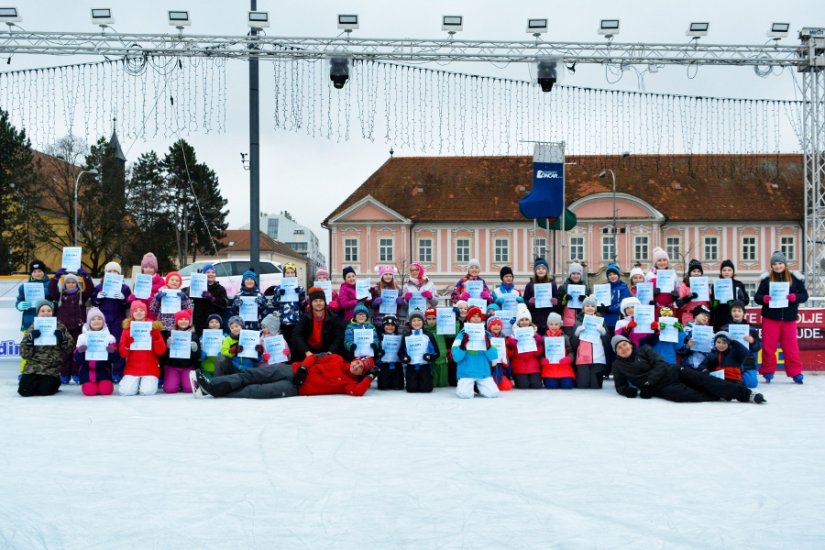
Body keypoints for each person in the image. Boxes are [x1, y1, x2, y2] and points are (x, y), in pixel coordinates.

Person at [611, 335, 765, 404]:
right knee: (685, 395)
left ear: (630, 344)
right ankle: (721, 395)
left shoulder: (644, 349)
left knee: (705, 380)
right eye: (619, 347)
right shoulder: (618, 366)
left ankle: (746, 394)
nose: (623, 348)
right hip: (663, 387)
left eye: (624, 344)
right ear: (616, 352)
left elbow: (660, 364)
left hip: (674, 371)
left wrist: (648, 383)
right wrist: (628, 391)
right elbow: (620, 385)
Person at [192, 354, 377, 399]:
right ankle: (212, 385)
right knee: (252, 375)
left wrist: (370, 377)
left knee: (255, 391)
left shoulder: (349, 383)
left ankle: (213, 390)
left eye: (361, 368)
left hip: (294, 389)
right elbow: (313, 357)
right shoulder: (336, 358)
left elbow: (357, 392)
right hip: (292, 371)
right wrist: (304, 368)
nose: (357, 366)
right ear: (355, 359)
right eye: (358, 362)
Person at [754, 250, 808, 384]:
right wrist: (764, 298)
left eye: (780, 263)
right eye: (775, 264)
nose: (778, 266)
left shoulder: (795, 279)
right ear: (771, 266)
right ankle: (767, 371)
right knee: (768, 347)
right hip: (770, 318)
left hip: (789, 319)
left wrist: (795, 297)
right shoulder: (766, 280)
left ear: (785, 264)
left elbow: (805, 295)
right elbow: (757, 297)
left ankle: (795, 372)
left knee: (791, 348)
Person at [18, 300, 74, 397]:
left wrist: (63, 340)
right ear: (38, 313)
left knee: (45, 391)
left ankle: (55, 381)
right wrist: (30, 341)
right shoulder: (32, 328)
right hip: (33, 367)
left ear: (52, 312)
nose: (46, 313)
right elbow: (24, 354)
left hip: (51, 367)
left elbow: (69, 349)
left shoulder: (60, 327)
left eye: (49, 310)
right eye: (42, 311)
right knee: (24, 391)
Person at [48, 268, 94, 384]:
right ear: (64, 284)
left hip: (78, 328)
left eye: (73, 282)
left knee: (76, 352)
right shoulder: (60, 296)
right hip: (64, 328)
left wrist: (86, 277)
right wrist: (56, 278)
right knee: (64, 352)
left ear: (77, 284)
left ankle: (76, 373)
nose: (71, 284)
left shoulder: (81, 296)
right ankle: (64, 374)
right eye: (68, 282)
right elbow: (51, 289)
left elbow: (90, 289)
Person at [90, 261, 131, 382]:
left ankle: (118, 372)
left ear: (119, 274)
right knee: (104, 344)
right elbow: (93, 302)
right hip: (103, 319)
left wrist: (124, 299)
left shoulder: (124, 287)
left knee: (118, 344)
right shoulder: (100, 287)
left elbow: (129, 303)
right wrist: (98, 298)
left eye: (115, 272)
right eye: (110, 271)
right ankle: (105, 370)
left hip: (118, 319)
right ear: (105, 273)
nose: (113, 274)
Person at [118, 300, 167, 396]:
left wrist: (156, 338)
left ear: (146, 312)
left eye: (142, 310)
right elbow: (123, 353)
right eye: (136, 311)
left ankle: (146, 383)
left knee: (147, 391)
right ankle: (131, 383)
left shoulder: (153, 326)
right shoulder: (128, 328)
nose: (139, 312)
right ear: (132, 313)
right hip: (132, 367)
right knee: (126, 392)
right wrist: (127, 344)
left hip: (150, 367)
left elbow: (161, 352)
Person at [451, 306, 500, 399]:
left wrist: (488, 346)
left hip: (483, 372)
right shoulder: (461, 334)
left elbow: (494, 356)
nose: (476, 318)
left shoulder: (487, 334)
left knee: (493, 393)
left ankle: (476, 386)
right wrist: (462, 347)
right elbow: (456, 357)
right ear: (468, 319)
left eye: (478, 316)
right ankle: (469, 386)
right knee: (465, 395)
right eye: (473, 316)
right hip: (466, 372)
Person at [73, 307, 118, 397]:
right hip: (87, 372)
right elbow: (77, 359)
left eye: (99, 319)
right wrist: (80, 351)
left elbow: (115, 359)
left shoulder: (109, 338)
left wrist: (111, 352)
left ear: (103, 321)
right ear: (89, 322)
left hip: (103, 371)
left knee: (106, 390)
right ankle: (89, 384)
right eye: (93, 319)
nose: (96, 321)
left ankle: (103, 383)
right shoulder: (82, 337)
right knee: (90, 391)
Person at [291, 286, 346, 357]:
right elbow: (297, 335)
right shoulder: (305, 318)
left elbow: (339, 336)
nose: (318, 303)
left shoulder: (334, 317)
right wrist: (306, 351)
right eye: (315, 301)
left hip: (328, 351)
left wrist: (331, 352)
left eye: (321, 300)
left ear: (324, 302)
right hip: (309, 351)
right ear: (311, 303)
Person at [570, 295, 609, 389]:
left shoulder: (601, 322)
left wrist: (604, 333)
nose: (590, 308)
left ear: (595, 309)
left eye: (592, 306)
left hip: (598, 358)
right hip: (583, 358)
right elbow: (573, 344)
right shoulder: (578, 322)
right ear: (583, 308)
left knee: (596, 386)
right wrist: (576, 333)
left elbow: (607, 342)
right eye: (587, 306)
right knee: (582, 386)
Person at [722, 300, 761, 388]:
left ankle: (738, 378)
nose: (737, 313)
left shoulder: (751, 329)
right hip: (731, 361)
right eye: (734, 311)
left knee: (752, 384)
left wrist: (752, 341)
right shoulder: (725, 328)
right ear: (731, 313)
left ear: (743, 313)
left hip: (747, 363)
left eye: (739, 311)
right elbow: (717, 346)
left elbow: (757, 347)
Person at [264, 261, 305, 344]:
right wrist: (279, 295)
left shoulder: (300, 288)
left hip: (296, 320)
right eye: (287, 272)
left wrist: (300, 295)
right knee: (285, 342)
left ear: (295, 274)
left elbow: (303, 304)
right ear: (284, 274)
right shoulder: (278, 288)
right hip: (283, 320)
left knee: (295, 342)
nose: (290, 275)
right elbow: (274, 303)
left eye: (292, 272)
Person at [161, 309, 200, 394]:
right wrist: (167, 346)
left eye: (186, 319)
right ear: (176, 321)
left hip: (187, 366)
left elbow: (197, 356)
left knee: (189, 389)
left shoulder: (193, 336)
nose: (183, 321)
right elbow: (163, 355)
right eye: (181, 319)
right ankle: (174, 382)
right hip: (172, 366)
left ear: (189, 321)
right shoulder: (170, 334)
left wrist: (195, 349)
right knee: (170, 389)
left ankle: (182, 382)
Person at [400, 310, 439, 393]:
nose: (416, 323)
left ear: (423, 322)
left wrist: (429, 356)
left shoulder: (428, 335)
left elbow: (436, 352)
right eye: (414, 320)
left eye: (419, 320)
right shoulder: (406, 336)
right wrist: (405, 358)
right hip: (411, 366)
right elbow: (401, 352)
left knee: (426, 389)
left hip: (424, 366)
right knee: (411, 389)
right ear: (410, 322)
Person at [506, 305, 545, 389]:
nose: (524, 322)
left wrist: (538, 342)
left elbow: (537, 353)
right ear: (518, 322)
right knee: (523, 385)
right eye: (522, 320)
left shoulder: (534, 334)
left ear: (530, 321)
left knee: (536, 385)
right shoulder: (513, 336)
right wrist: (512, 345)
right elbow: (510, 354)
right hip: (519, 366)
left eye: (526, 319)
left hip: (533, 366)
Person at [190, 263, 230, 336]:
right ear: (203, 274)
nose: (210, 274)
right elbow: (189, 296)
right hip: (200, 322)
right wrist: (195, 282)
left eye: (213, 272)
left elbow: (225, 303)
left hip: (214, 323)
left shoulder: (220, 289)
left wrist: (212, 298)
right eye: (207, 272)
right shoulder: (198, 287)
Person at [522, 258, 559, 334]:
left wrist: (556, 302)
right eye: (538, 268)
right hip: (535, 317)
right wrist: (529, 302)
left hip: (548, 317)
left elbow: (558, 299)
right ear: (535, 271)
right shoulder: (530, 284)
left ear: (547, 271)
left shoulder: (552, 284)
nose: (541, 270)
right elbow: (524, 300)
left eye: (543, 269)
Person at [711, 259, 750, 332]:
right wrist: (715, 302)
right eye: (724, 270)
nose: (726, 272)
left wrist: (741, 298)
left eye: (729, 270)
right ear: (721, 272)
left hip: (734, 317)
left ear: (733, 272)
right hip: (720, 317)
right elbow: (712, 305)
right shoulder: (716, 284)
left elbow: (746, 301)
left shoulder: (738, 284)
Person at [542, 312, 575, 389]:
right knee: (551, 386)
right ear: (548, 325)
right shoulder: (544, 338)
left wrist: (569, 359)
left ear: (560, 325)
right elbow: (541, 353)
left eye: (556, 324)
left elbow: (571, 351)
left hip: (564, 367)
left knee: (567, 385)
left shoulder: (565, 337)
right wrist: (542, 360)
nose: (554, 326)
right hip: (549, 368)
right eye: (551, 324)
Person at [128, 252, 166, 320]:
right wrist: (133, 297)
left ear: (155, 268)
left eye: (151, 267)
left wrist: (154, 298)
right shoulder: (138, 281)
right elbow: (135, 301)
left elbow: (164, 301)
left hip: (155, 316)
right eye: (146, 267)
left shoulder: (161, 281)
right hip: (140, 316)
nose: (148, 269)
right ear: (143, 268)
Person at [557, 262, 589, 337]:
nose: (575, 276)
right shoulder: (563, 288)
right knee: (569, 344)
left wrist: (585, 300)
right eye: (573, 273)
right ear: (570, 275)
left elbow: (591, 306)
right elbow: (558, 306)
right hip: (567, 322)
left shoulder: (586, 289)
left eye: (578, 274)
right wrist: (565, 300)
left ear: (580, 275)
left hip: (582, 321)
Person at [676, 259, 710, 326]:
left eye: (699, 271)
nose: (696, 273)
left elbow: (708, 303)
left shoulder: (705, 285)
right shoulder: (684, 285)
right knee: (689, 335)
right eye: (694, 271)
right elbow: (679, 304)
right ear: (690, 273)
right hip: (689, 315)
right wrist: (688, 297)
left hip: (703, 317)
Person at [376, 314, 405, 390]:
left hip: (396, 363)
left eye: (392, 325)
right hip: (384, 364)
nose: (390, 327)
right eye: (387, 325)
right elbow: (376, 350)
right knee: (383, 386)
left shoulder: (399, 337)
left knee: (398, 386)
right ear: (383, 326)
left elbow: (402, 349)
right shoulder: (380, 337)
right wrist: (379, 353)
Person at [423, 307, 451, 388]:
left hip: (442, 359)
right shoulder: (424, 331)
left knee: (443, 385)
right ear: (425, 319)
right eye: (429, 319)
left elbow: (451, 334)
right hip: (430, 360)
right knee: (432, 383)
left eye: (434, 318)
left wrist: (454, 319)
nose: (431, 321)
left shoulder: (442, 329)